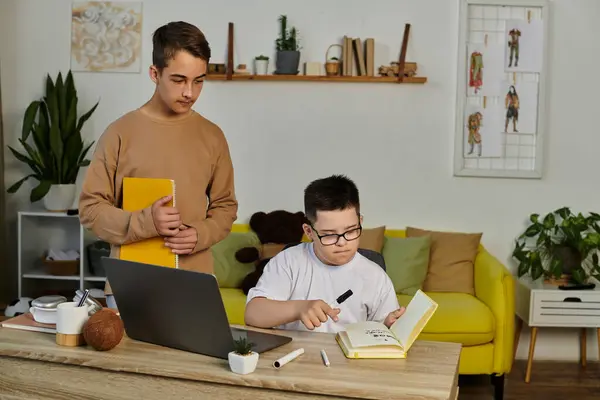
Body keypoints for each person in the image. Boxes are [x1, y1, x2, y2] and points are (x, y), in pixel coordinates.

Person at [79, 21, 238, 309]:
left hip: (195, 284)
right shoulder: (119, 133)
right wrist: (145, 223)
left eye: (199, 80)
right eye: (179, 80)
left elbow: (226, 207)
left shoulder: (213, 136)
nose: (190, 92)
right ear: (155, 74)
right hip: (130, 286)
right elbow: (90, 211)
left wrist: (200, 234)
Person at [244, 174, 404, 333]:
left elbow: (384, 335)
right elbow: (252, 314)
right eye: (329, 234)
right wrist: (298, 308)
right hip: (294, 356)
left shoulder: (375, 276)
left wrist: (388, 328)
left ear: (360, 222)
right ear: (309, 231)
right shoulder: (288, 261)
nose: (342, 242)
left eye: (350, 231)